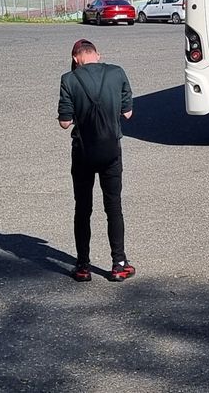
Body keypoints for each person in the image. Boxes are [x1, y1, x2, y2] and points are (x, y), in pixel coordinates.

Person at [58, 39, 136, 282]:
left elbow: (64, 122)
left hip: (83, 152)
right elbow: (128, 113)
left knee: (83, 209)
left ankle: (83, 266)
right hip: (111, 150)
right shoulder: (117, 72)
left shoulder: (69, 79)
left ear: (75, 58)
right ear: (97, 55)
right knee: (113, 207)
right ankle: (119, 264)